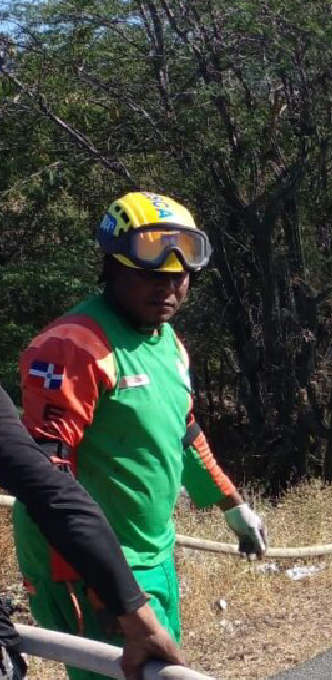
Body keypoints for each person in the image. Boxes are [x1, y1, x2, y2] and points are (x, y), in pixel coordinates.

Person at [11, 191, 268, 680]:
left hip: (153, 553)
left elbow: (183, 432)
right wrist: (104, 584)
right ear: (112, 268)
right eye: (151, 276)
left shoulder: (166, 341)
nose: (167, 289)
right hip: (91, 568)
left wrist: (232, 506)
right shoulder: (74, 346)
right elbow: (46, 476)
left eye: (178, 277)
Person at [1, 386, 185, 680]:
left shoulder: (170, 359)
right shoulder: (73, 360)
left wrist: (231, 502)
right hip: (98, 567)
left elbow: (185, 424)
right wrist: (98, 589)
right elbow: (50, 483)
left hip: (147, 557)